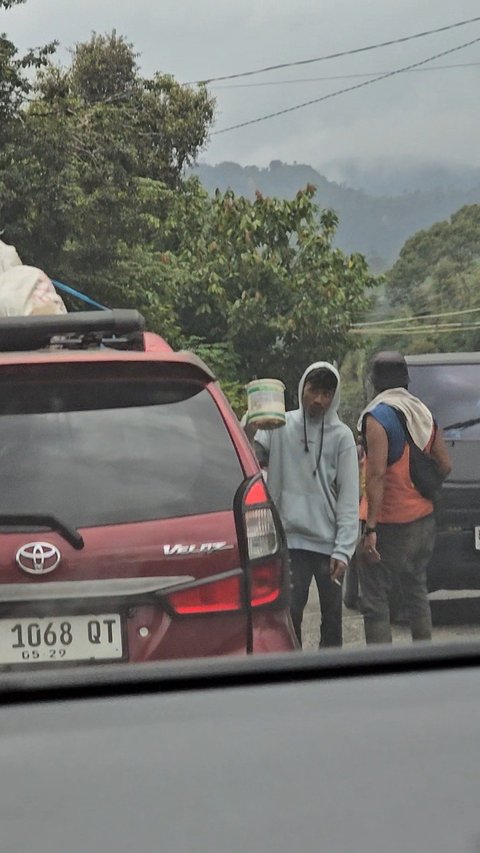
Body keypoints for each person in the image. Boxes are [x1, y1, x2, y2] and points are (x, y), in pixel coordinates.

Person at [246, 362, 359, 648]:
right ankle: (295, 675)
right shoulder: (279, 424)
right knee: (291, 614)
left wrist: (344, 550)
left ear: (334, 396)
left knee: (332, 619)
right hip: (289, 540)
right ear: (301, 390)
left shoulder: (342, 437)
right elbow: (250, 455)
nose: (319, 400)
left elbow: (348, 496)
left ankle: (330, 682)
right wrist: (251, 420)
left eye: (326, 393)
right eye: (313, 391)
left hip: (328, 544)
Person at [357, 350, 452, 644]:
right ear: (407, 380)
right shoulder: (422, 413)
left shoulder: (377, 417)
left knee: (375, 600)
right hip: (423, 521)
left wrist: (370, 529)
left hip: (390, 524)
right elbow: (446, 466)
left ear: (374, 383)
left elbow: (376, 476)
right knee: (416, 592)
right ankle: (424, 662)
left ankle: (383, 673)